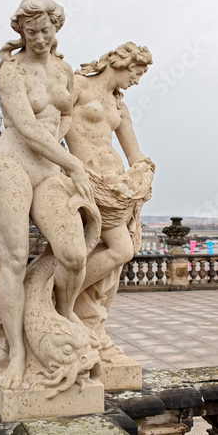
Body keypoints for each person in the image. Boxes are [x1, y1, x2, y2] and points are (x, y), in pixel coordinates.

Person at [0, 0, 96, 390]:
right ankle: (18, 353)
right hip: (11, 165)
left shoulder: (64, 70)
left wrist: (65, 155)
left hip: (48, 168)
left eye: (45, 29)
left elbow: (66, 112)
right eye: (31, 31)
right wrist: (72, 163)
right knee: (16, 260)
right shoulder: (11, 71)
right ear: (20, 32)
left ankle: (65, 312)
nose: (39, 37)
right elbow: (27, 128)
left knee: (73, 252)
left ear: (57, 27)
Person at [65, 42, 155, 358]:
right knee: (121, 249)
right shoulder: (76, 84)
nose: (136, 80)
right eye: (137, 72)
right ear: (121, 62)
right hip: (87, 181)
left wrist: (144, 173)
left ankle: (93, 324)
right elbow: (52, 131)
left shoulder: (119, 106)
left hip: (117, 187)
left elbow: (134, 153)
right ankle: (58, 300)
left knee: (115, 256)